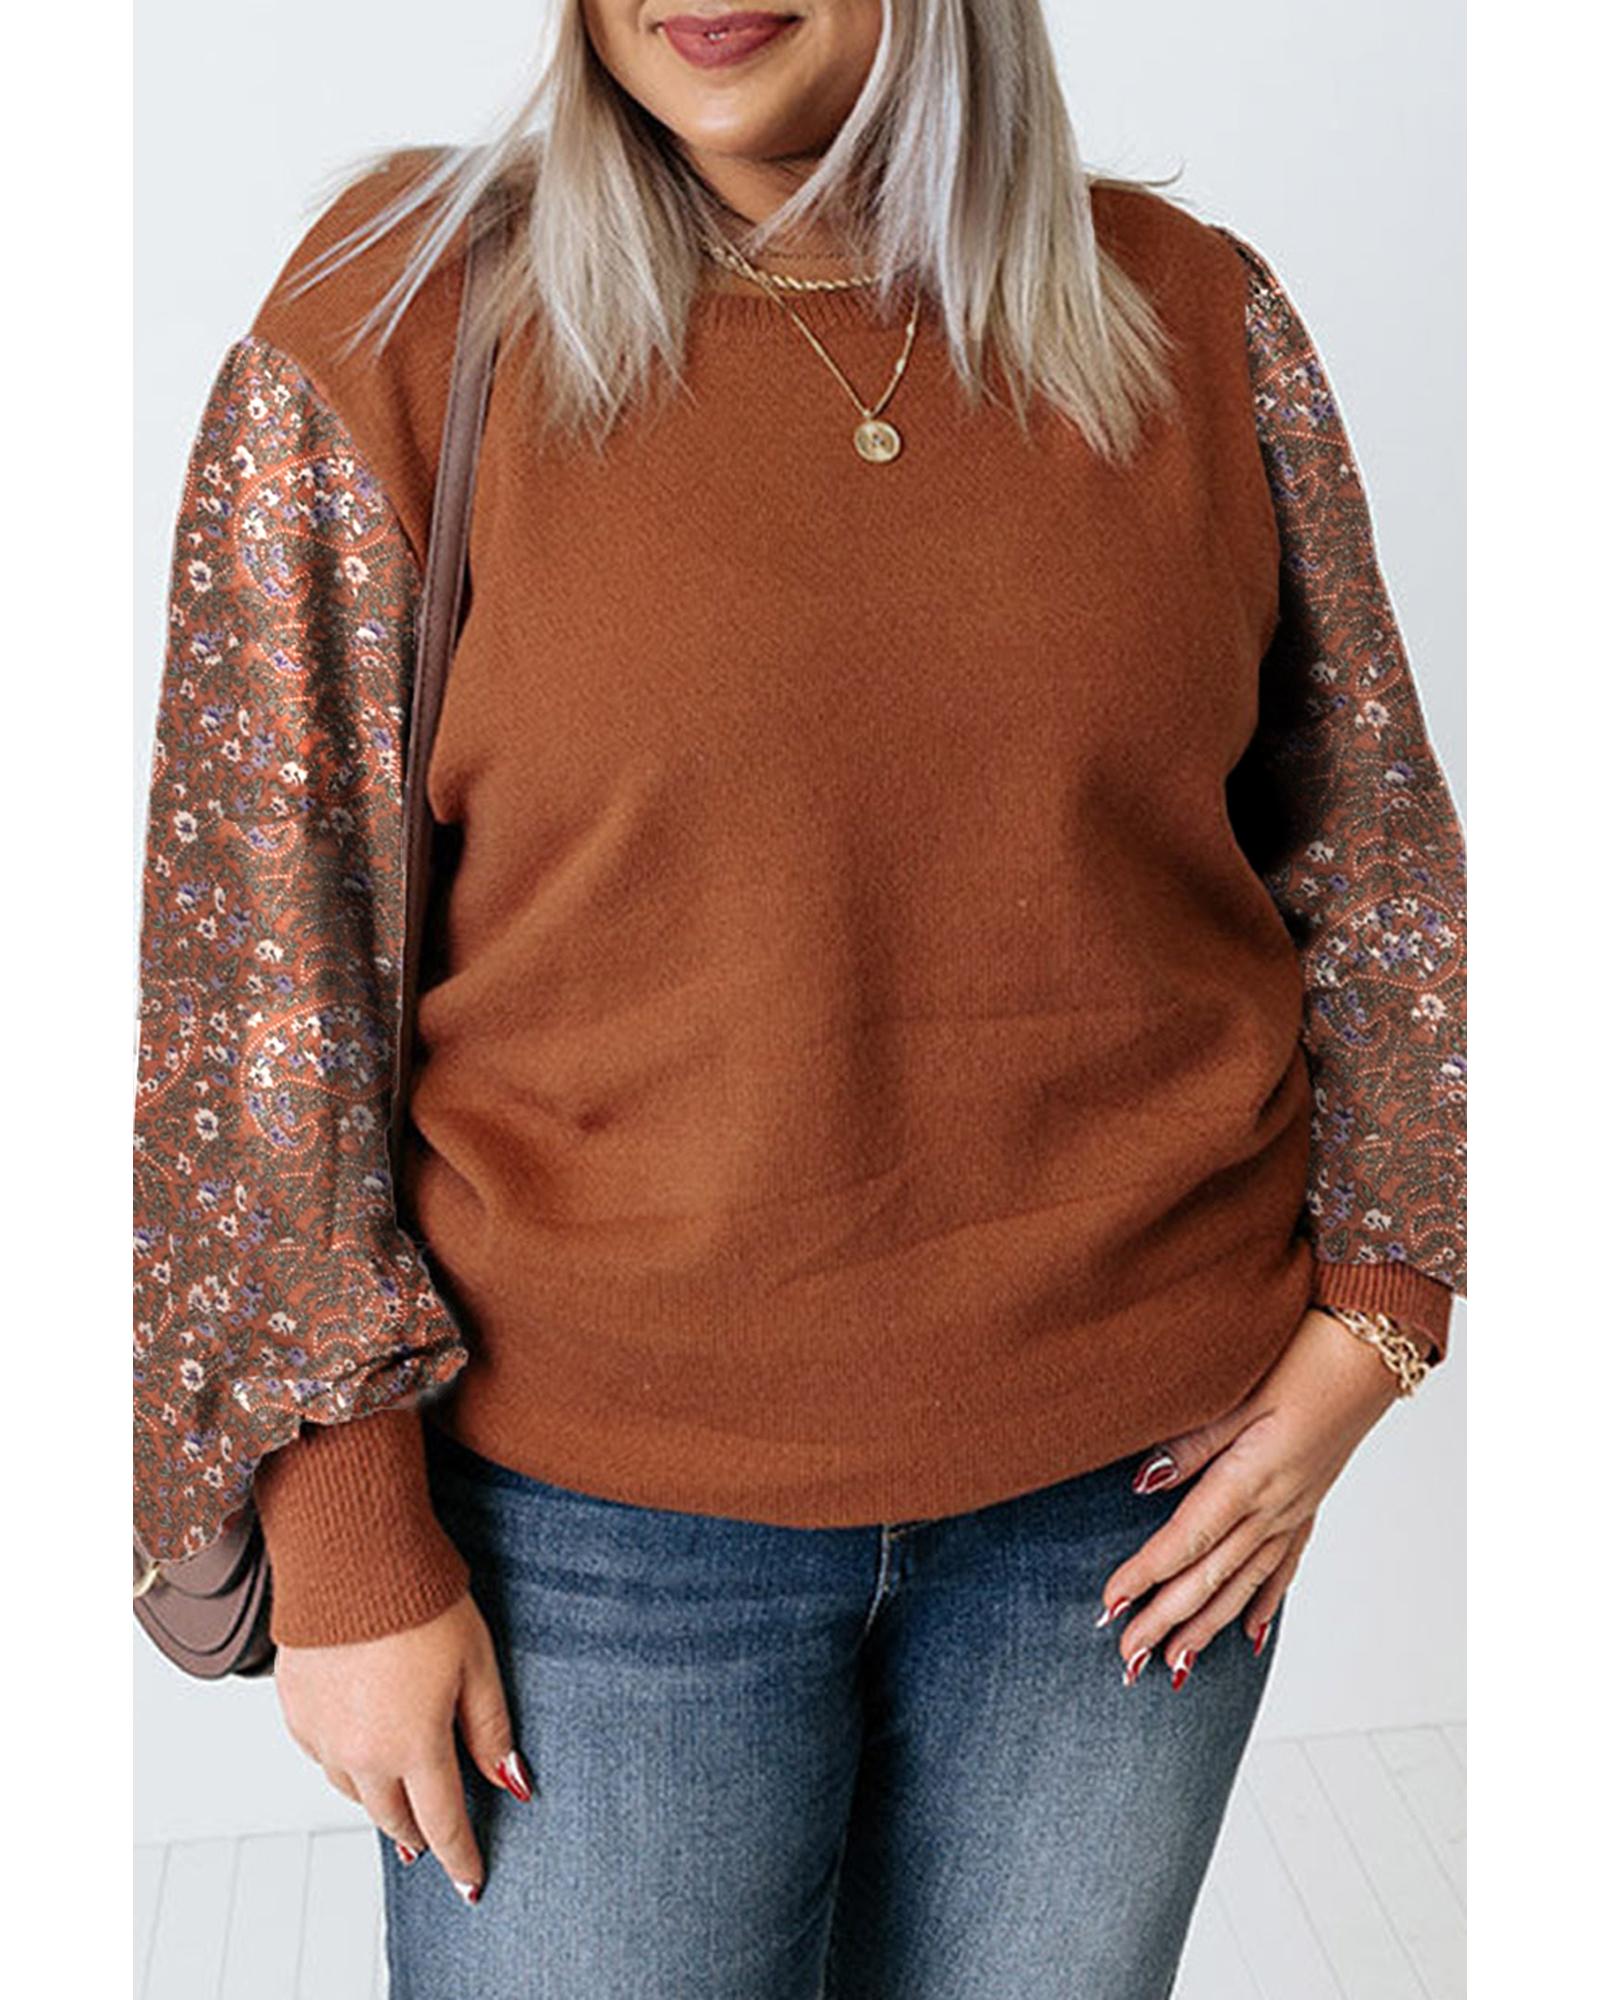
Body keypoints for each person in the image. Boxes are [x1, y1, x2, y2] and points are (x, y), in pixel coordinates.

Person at [131, 3, 1467, 1994]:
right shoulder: (402, 319)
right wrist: (341, 1537)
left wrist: (1380, 1316)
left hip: (1133, 1521)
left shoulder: (1192, 317)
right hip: (589, 1541)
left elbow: (1371, 863)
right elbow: (259, 967)